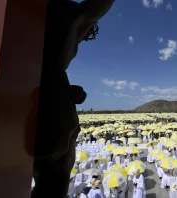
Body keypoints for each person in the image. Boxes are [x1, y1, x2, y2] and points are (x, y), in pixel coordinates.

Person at [31, 1, 115, 198]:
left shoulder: (33, 19)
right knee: (54, 179)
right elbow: (95, 7)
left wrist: (68, 91)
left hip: (40, 85)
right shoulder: (71, 18)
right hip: (52, 95)